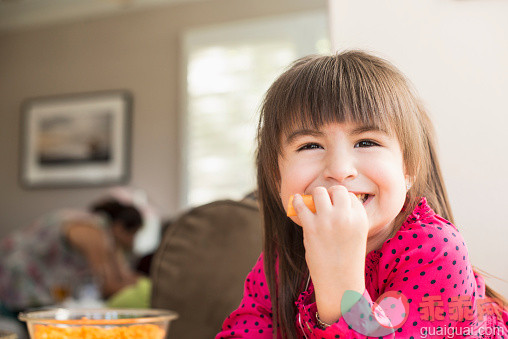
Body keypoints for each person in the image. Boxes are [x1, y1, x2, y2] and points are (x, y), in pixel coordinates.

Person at [216, 51, 508, 338]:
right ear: (277, 177)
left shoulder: (436, 249)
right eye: (310, 145)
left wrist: (339, 282)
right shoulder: (285, 258)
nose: (340, 170)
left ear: (409, 171)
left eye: (366, 142)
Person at [0, 198, 143, 316]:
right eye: (133, 234)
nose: (133, 241)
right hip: (16, 278)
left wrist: (143, 283)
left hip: (31, 285)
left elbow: (122, 275)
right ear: (119, 227)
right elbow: (106, 284)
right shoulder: (92, 232)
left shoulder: (104, 236)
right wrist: (144, 291)